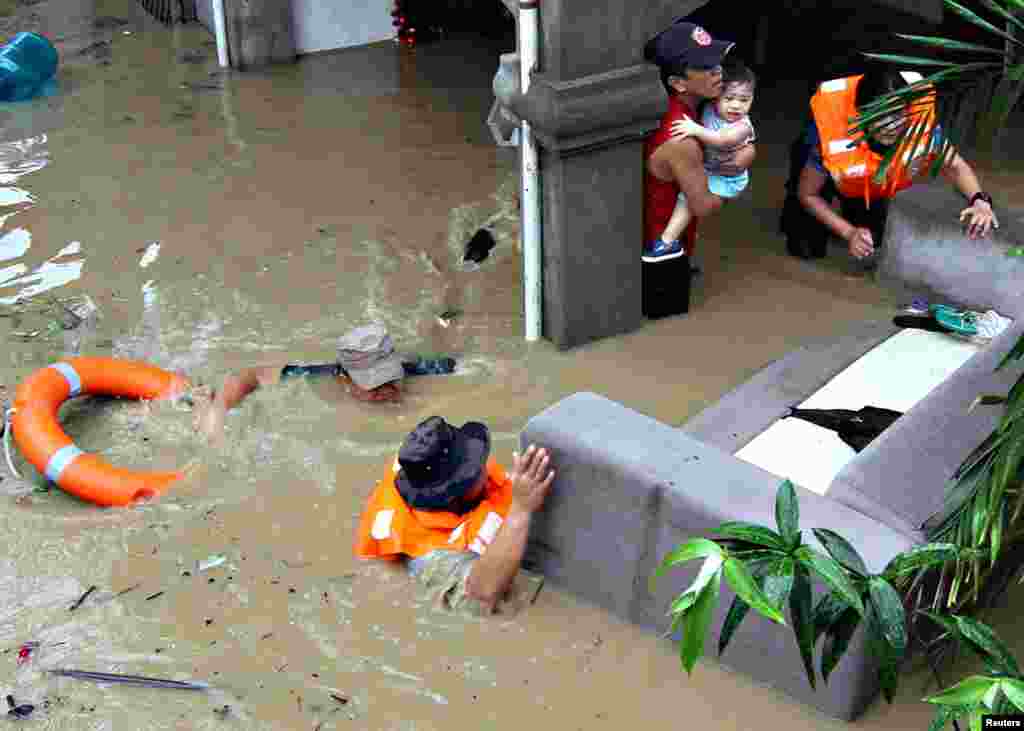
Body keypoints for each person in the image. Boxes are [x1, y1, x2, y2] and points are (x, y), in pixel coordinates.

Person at [779, 68, 999, 265]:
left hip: (869, 177)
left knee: (873, 242)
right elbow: (808, 194)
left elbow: (956, 166)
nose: (892, 125)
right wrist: (848, 233)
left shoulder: (920, 126)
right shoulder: (830, 137)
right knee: (806, 246)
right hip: (826, 166)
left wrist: (980, 201)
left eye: (897, 113)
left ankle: (853, 204)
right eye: (882, 117)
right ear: (862, 115)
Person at [354, 416, 555, 615]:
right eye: (473, 469)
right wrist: (521, 508)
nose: (483, 467)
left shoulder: (424, 461)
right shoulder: (429, 557)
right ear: (453, 493)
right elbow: (481, 596)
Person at [642, 20, 756, 266]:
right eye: (705, 66)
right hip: (663, 253)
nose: (718, 71)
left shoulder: (699, 107)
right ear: (678, 83)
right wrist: (735, 183)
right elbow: (702, 205)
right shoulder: (683, 139)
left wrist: (747, 149)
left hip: (680, 243)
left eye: (716, 61)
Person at [196, 323, 406, 437]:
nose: (386, 391)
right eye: (375, 385)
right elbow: (247, 376)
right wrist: (218, 409)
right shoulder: (312, 377)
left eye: (391, 380)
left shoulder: (414, 372)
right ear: (345, 379)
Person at [655, 63, 757, 257]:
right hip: (710, 168)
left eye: (744, 100)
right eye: (729, 98)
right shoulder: (710, 107)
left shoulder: (743, 126)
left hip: (726, 178)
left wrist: (694, 129)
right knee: (688, 197)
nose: (736, 105)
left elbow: (722, 140)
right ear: (717, 96)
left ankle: (666, 241)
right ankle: (682, 239)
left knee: (688, 199)